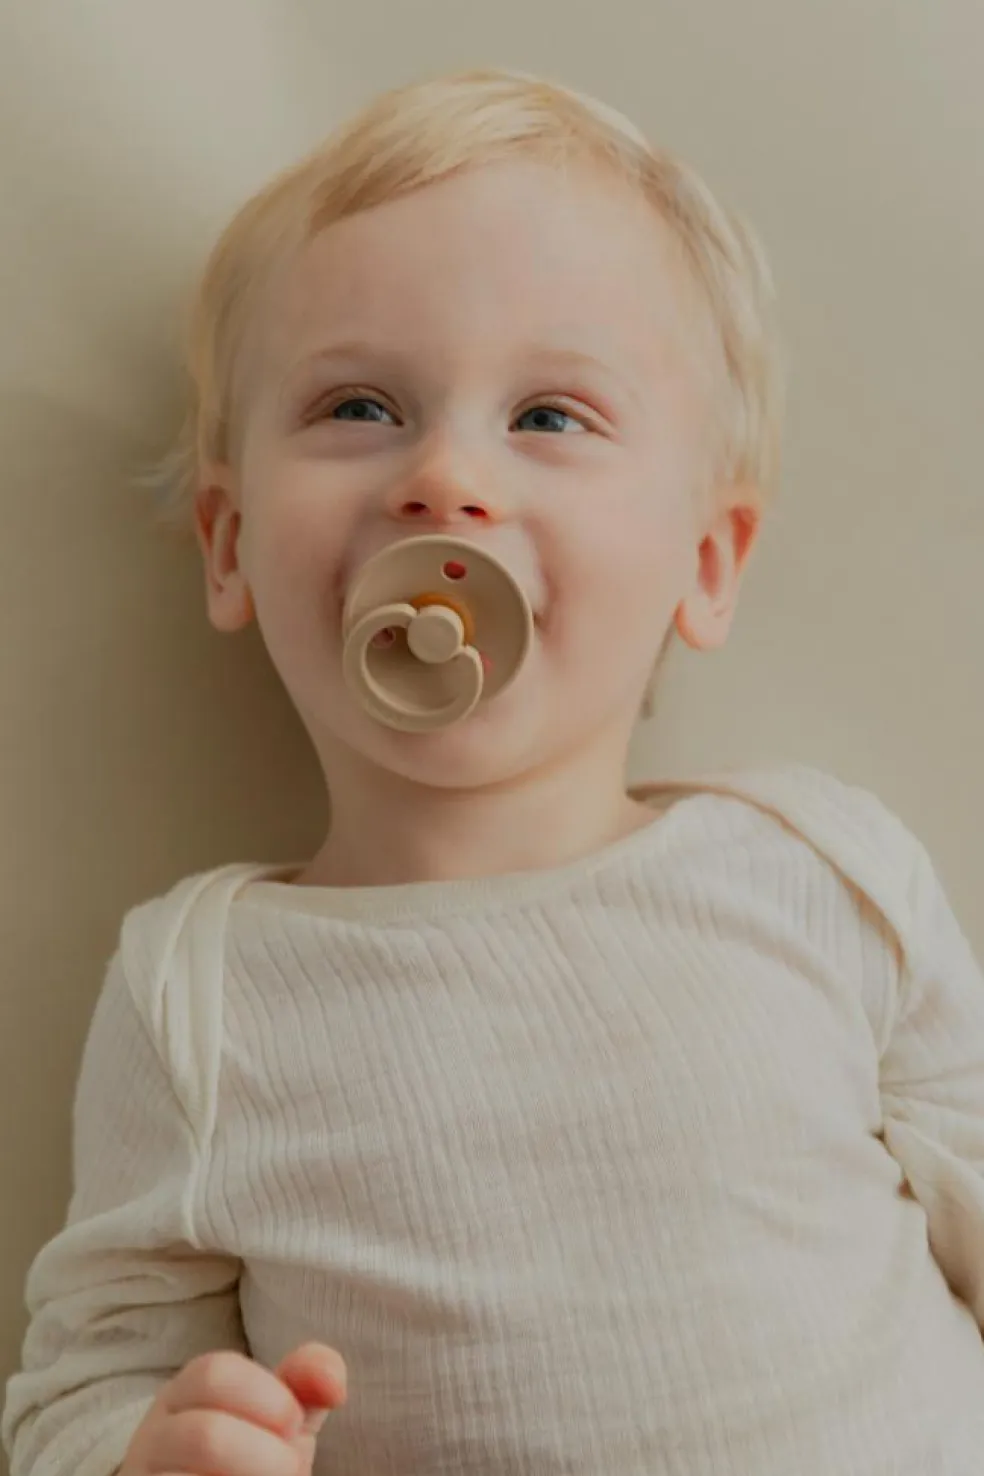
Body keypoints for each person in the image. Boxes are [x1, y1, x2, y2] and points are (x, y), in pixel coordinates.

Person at [4, 68, 984, 1476]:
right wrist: (143, 1451)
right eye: (358, 406)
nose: (446, 479)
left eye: (550, 418)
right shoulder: (197, 997)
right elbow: (77, 1386)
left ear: (707, 563)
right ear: (230, 544)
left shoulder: (820, 871)